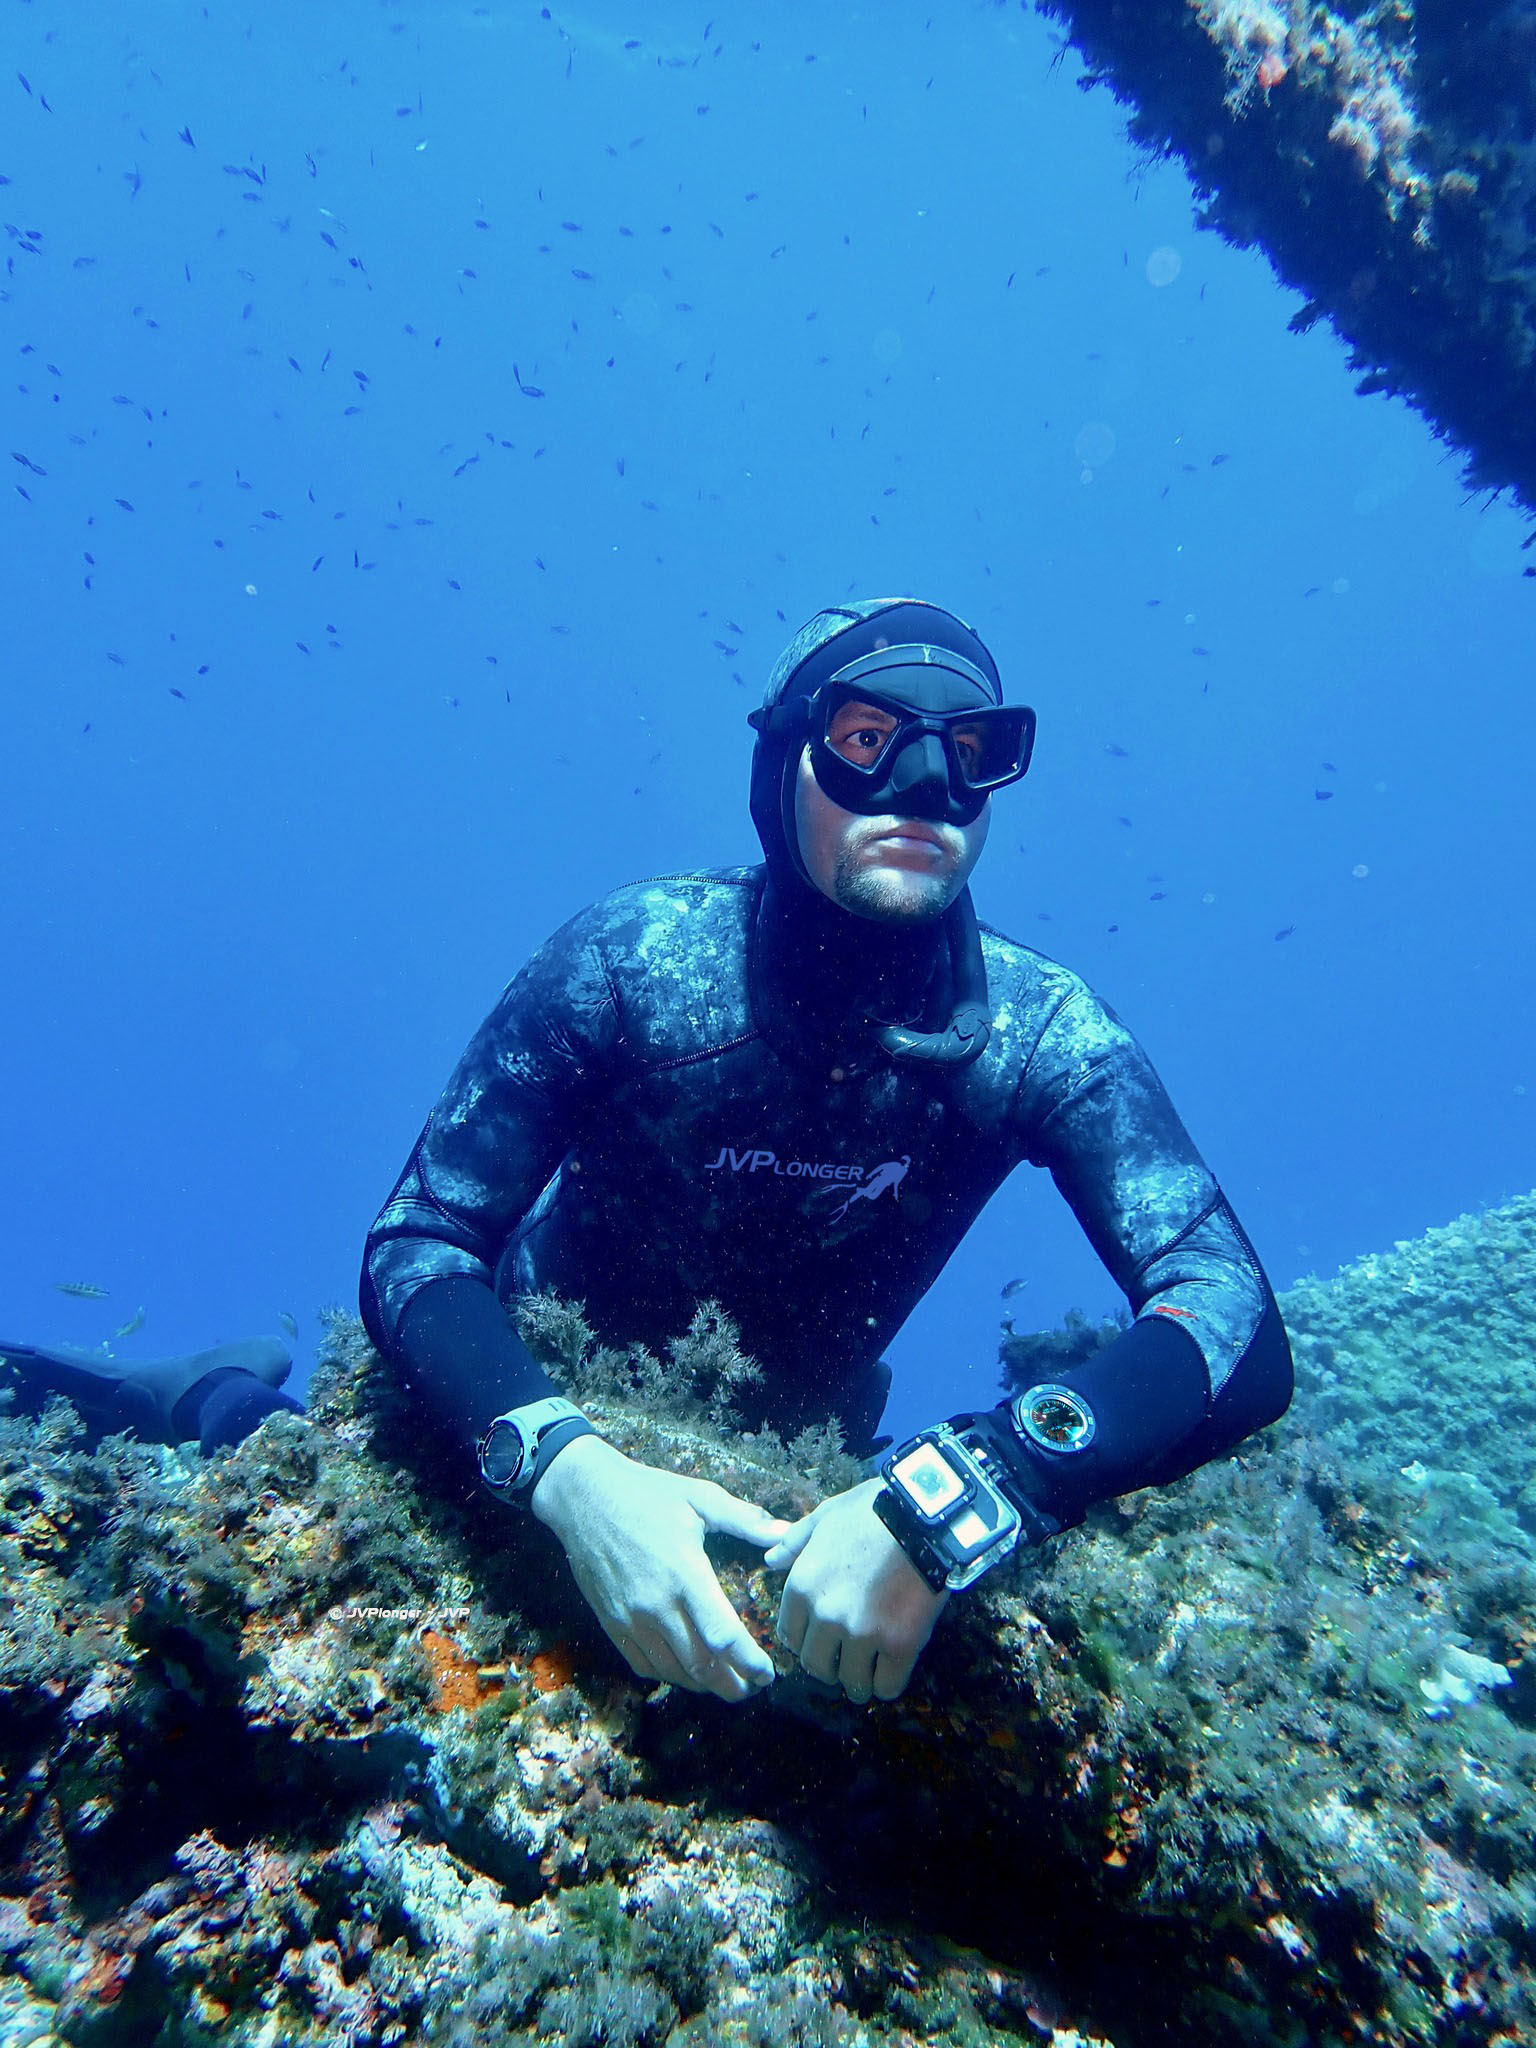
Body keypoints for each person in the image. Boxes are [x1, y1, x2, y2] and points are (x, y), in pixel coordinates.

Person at [357, 597, 1293, 1710]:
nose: (928, 784)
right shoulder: (634, 960)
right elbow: (423, 1240)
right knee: (267, 1455)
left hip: (801, 1464)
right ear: (779, 761)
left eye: (975, 749)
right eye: (866, 737)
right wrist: (568, 1469)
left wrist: (981, 1481)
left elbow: (1231, 1316)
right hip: (525, 1417)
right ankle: (208, 1396)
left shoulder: (1043, 1034)